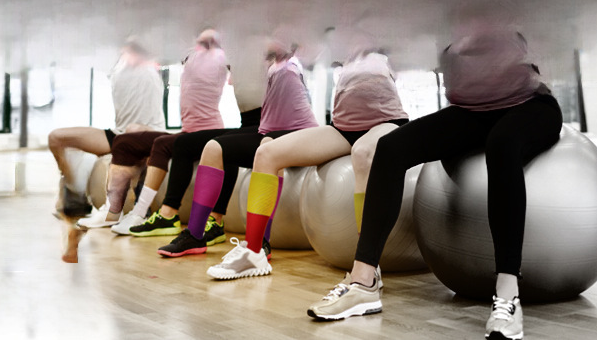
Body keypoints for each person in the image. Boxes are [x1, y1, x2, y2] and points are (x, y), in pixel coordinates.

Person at [306, 22, 563, 340]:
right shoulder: (444, 14)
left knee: (502, 144)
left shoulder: (507, 8)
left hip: (530, 106)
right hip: (472, 111)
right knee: (390, 148)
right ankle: (363, 282)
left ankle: (508, 295)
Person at [205, 46, 409, 280]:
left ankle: (368, 266)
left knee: (362, 153)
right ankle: (253, 252)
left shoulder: (384, 43)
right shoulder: (341, 45)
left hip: (387, 123)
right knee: (266, 153)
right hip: (342, 129)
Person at [156, 39, 318, 258]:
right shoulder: (244, 54)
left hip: (295, 132)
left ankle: (260, 243)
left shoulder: (283, 65)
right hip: (266, 128)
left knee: (268, 149)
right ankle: (194, 235)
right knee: (213, 147)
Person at [76, 29, 228, 230]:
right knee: (123, 141)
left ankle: (140, 213)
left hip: (209, 132)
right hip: (186, 131)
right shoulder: (189, 57)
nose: (201, 45)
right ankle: (112, 212)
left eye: (207, 42)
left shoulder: (219, 59)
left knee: (164, 144)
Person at [126, 37, 269, 238]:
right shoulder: (228, 53)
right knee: (182, 144)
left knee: (224, 146)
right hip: (246, 123)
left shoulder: (263, 53)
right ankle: (167, 215)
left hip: (266, 123)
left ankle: (215, 221)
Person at [51, 37, 166, 221]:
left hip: (147, 133)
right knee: (56, 138)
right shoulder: (119, 67)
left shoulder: (148, 69)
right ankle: (75, 193)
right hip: (118, 134)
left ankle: (140, 206)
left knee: (133, 130)